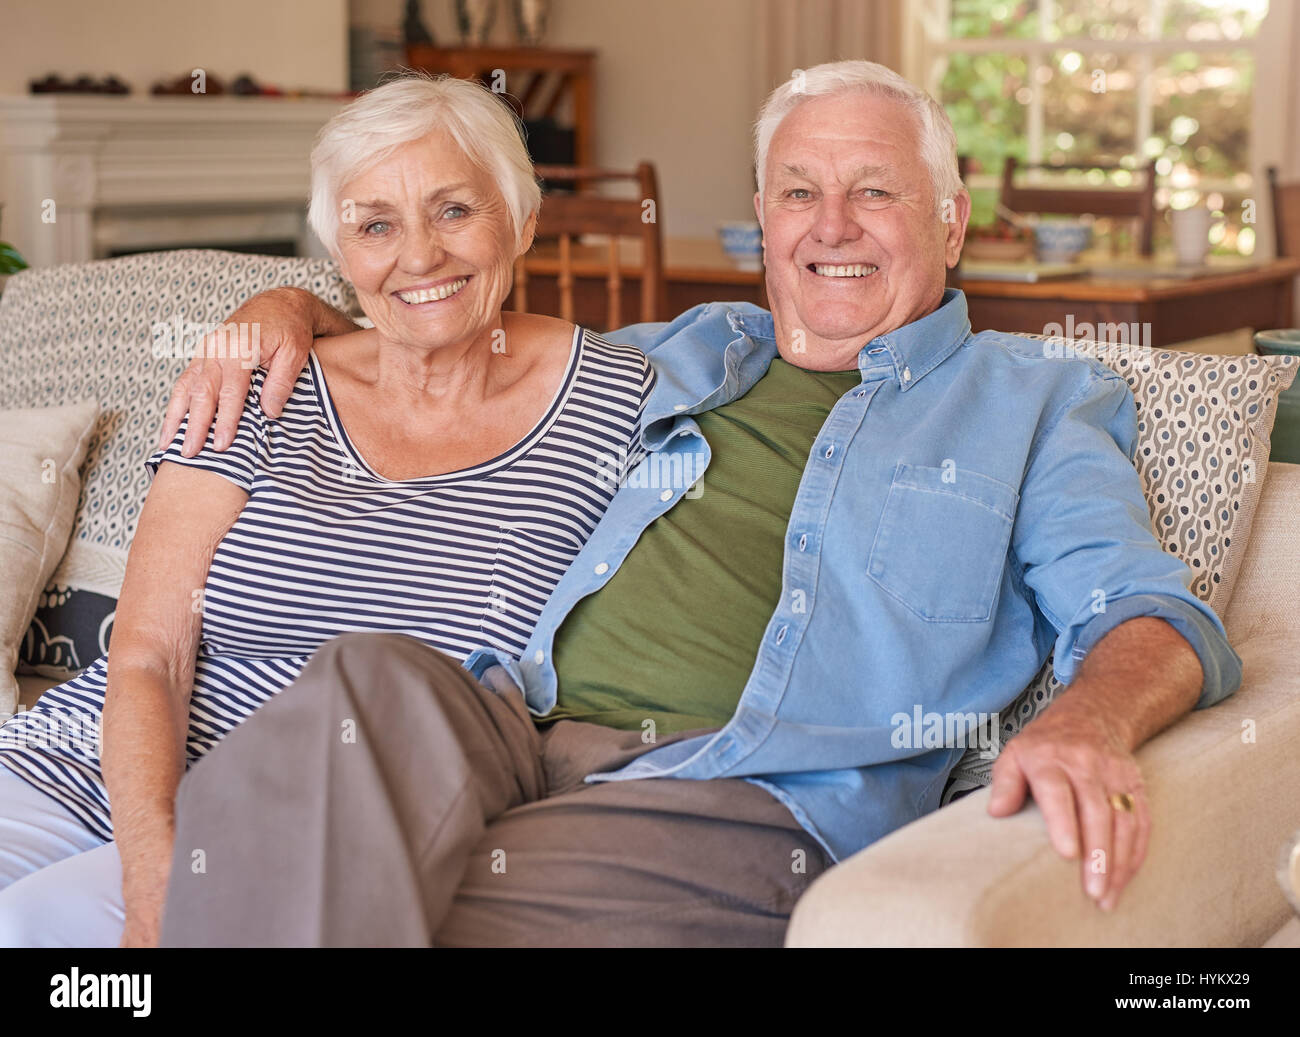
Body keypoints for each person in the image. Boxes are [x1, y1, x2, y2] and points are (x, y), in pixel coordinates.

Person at [154, 61, 1240, 947]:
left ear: (949, 223)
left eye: (875, 190)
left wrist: (1089, 719)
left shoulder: (1035, 398)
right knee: (357, 680)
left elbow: (1142, 608)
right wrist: (283, 303)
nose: (833, 225)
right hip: (510, 719)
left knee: (406, 906)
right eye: (800, 192)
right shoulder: (675, 351)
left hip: (743, 784)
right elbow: (433, 308)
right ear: (763, 221)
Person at [0, 74, 656, 947]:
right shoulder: (263, 384)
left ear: (523, 219)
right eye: (375, 225)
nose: (418, 255)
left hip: (305, 819)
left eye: (456, 210)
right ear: (341, 255)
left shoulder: (624, 399)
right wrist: (153, 870)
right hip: (83, 767)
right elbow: (150, 652)